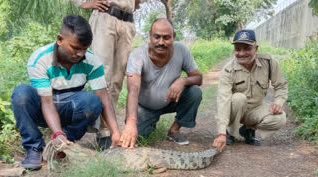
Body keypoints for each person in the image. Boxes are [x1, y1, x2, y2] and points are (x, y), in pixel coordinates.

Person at [11, 15, 121, 170]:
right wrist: (57, 133)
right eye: (75, 48)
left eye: (84, 49)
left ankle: (67, 141)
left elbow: (103, 96)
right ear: (60, 39)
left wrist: (115, 132)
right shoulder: (40, 59)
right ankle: (34, 147)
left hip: (70, 106)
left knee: (93, 102)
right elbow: (47, 102)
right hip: (44, 105)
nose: (80, 54)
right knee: (21, 94)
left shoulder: (92, 62)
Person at [120, 18, 203, 148]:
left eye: (166, 38)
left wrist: (183, 80)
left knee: (194, 92)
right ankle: (150, 122)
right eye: (157, 37)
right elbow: (133, 90)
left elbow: (198, 78)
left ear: (174, 36)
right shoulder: (137, 55)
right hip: (144, 107)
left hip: (170, 100)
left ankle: (174, 130)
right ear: (150, 36)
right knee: (138, 137)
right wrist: (131, 122)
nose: (161, 42)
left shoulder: (181, 50)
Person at [213, 29, 288, 152]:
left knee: (280, 118)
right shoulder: (228, 70)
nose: (241, 53)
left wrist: (278, 103)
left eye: (247, 48)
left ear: (256, 48)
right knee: (238, 98)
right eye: (237, 49)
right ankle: (231, 133)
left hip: (255, 110)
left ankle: (247, 129)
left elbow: (281, 85)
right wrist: (221, 133)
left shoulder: (268, 63)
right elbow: (224, 100)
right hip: (234, 109)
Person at [71, 0, 143, 108]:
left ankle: (107, 122)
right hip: (105, 17)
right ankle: (96, 121)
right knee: (102, 74)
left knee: (118, 78)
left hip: (127, 23)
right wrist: (83, 3)